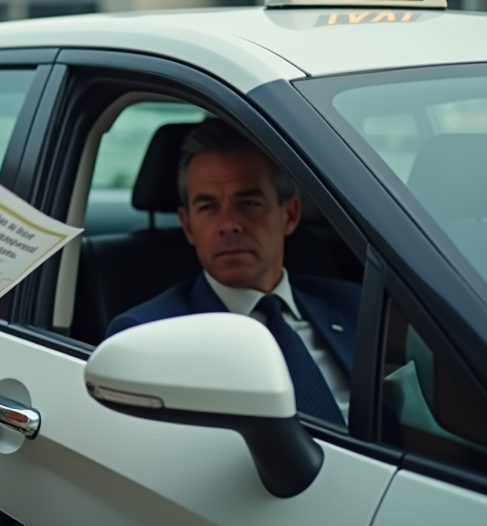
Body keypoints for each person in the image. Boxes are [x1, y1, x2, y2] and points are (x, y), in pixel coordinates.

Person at [106, 118, 359, 426]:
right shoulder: (145, 336)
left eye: (249, 202)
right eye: (208, 207)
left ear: (290, 214)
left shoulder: (353, 305)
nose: (229, 224)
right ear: (187, 225)